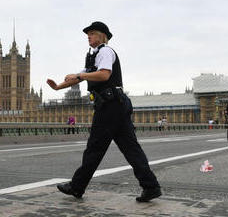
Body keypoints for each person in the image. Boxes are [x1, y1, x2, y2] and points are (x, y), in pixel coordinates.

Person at [47, 21, 161, 202]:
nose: (88, 37)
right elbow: (78, 76)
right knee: (131, 149)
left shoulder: (106, 52)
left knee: (94, 148)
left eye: (92, 33)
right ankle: (151, 186)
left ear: (102, 36)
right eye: (88, 35)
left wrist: (80, 76)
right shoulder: (93, 57)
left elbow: (104, 74)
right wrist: (58, 87)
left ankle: (77, 186)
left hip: (110, 107)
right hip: (116, 106)